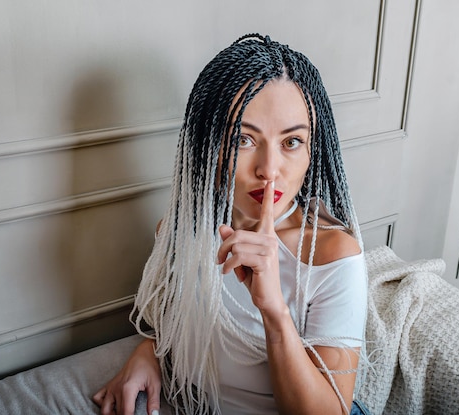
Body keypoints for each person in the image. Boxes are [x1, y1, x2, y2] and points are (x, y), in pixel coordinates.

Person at [93, 33, 371, 415]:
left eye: (291, 142)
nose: (269, 170)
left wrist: (273, 308)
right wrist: (149, 352)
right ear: (209, 144)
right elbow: (173, 326)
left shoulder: (333, 255)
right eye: (243, 139)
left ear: (313, 151)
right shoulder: (180, 235)